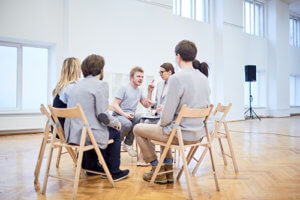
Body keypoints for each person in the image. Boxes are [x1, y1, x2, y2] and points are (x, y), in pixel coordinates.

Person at [133, 40, 211, 184]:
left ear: (178, 56)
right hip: (198, 134)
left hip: (180, 135)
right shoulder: (204, 78)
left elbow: (166, 118)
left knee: (138, 129)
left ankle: (158, 169)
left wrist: (162, 120)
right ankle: (167, 169)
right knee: (165, 128)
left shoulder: (177, 78)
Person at [64, 54, 129, 181]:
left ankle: (92, 166)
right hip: (87, 135)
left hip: (72, 134)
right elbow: (103, 116)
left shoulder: (75, 85)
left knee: (97, 127)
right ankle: (114, 171)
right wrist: (116, 123)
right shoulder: (101, 85)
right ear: (100, 69)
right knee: (115, 131)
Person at [137, 63, 175, 166]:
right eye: (159, 72)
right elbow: (158, 103)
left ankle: (152, 159)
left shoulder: (175, 85)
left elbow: (175, 104)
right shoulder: (160, 85)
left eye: (162, 72)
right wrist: (153, 103)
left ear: (170, 72)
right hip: (159, 115)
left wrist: (165, 107)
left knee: (147, 124)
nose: (160, 74)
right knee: (143, 121)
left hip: (168, 118)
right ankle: (150, 157)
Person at [112, 66, 153, 157]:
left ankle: (127, 144)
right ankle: (115, 144)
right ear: (131, 77)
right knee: (127, 124)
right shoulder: (124, 87)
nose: (141, 79)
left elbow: (146, 105)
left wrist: (149, 91)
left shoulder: (139, 90)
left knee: (140, 119)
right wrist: (125, 114)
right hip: (118, 115)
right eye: (138, 76)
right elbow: (115, 105)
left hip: (130, 116)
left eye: (142, 77)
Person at [52, 57, 81, 128]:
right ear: (74, 70)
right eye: (80, 67)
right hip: (67, 130)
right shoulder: (72, 87)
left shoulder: (60, 87)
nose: (81, 70)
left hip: (57, 129)